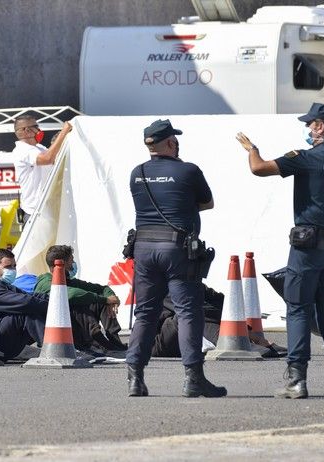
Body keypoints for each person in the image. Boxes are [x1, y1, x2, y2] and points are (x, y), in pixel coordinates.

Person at [236, 102, 324, 399]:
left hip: (308, 250)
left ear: (320, 127)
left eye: (310, 124)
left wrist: (252, 148)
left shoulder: (305, 158)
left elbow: (258, 168)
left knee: (299, 309)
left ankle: (297, 381)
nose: (307, 128)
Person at [127, 119, 225, 398]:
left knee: (145, 313)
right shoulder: (188, 171)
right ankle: (193, 378)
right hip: (177, 249)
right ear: (171, 142)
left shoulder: (138, 172)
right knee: (187, 312)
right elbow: (207, 203)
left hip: (144, 248)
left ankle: (135, 377)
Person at [34, 245, 125, 352]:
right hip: (60, 330)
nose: (73, 264)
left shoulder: (69, 280)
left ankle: (115, 341)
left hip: (77, 327)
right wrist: (105, 299)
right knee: (79, 304)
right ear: (62, 263)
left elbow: (101, 289)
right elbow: (71, 294)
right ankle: (100, 343)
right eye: (71, 260)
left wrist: (111, 298)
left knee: (100, 302)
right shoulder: (44, 282)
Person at [0, 249, 48, 360]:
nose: (13, 270)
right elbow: (24, 302)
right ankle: (53, 348)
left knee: (36, 306)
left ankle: (67, 344)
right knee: (26, 312)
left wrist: (56, 300)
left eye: (14, 266)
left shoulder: (2, 284)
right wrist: (50, 306)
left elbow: (30, 296)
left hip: (1, 339)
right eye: (8, 267)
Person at [12, 116, 73, 225]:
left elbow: (55, 158)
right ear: (27, 130)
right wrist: (64, 131)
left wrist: (65, 137)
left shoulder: (39, 148)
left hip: (46, 210)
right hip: (34, 212)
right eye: (36, 127)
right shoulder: (21, 150)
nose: (39, 130)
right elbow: (47, 159)